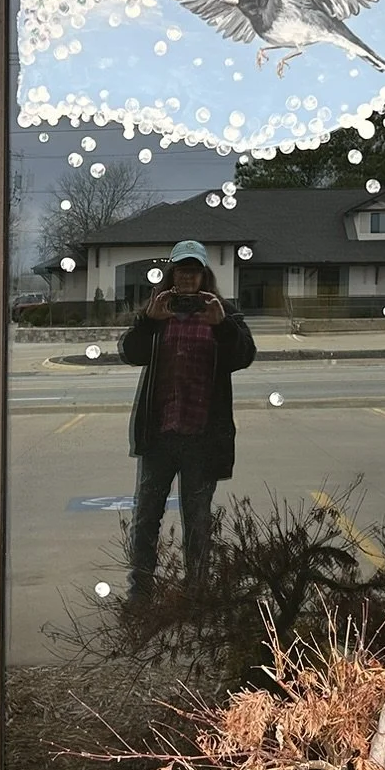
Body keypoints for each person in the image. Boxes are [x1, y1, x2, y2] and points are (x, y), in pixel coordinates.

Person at [118, 239, 257, 603]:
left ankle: (196, 597)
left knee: (198, 522)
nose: (187, 278)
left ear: (204, 275)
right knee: (146, 517)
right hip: (160, 436)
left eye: (194, 271)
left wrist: (222, 326)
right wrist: (148, 321)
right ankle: (141, 594)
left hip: (202, 438)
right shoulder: (158, 310)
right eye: (181, 270)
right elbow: (130, 353)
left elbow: (244, 356)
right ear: (172, 274)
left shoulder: (222, 312)